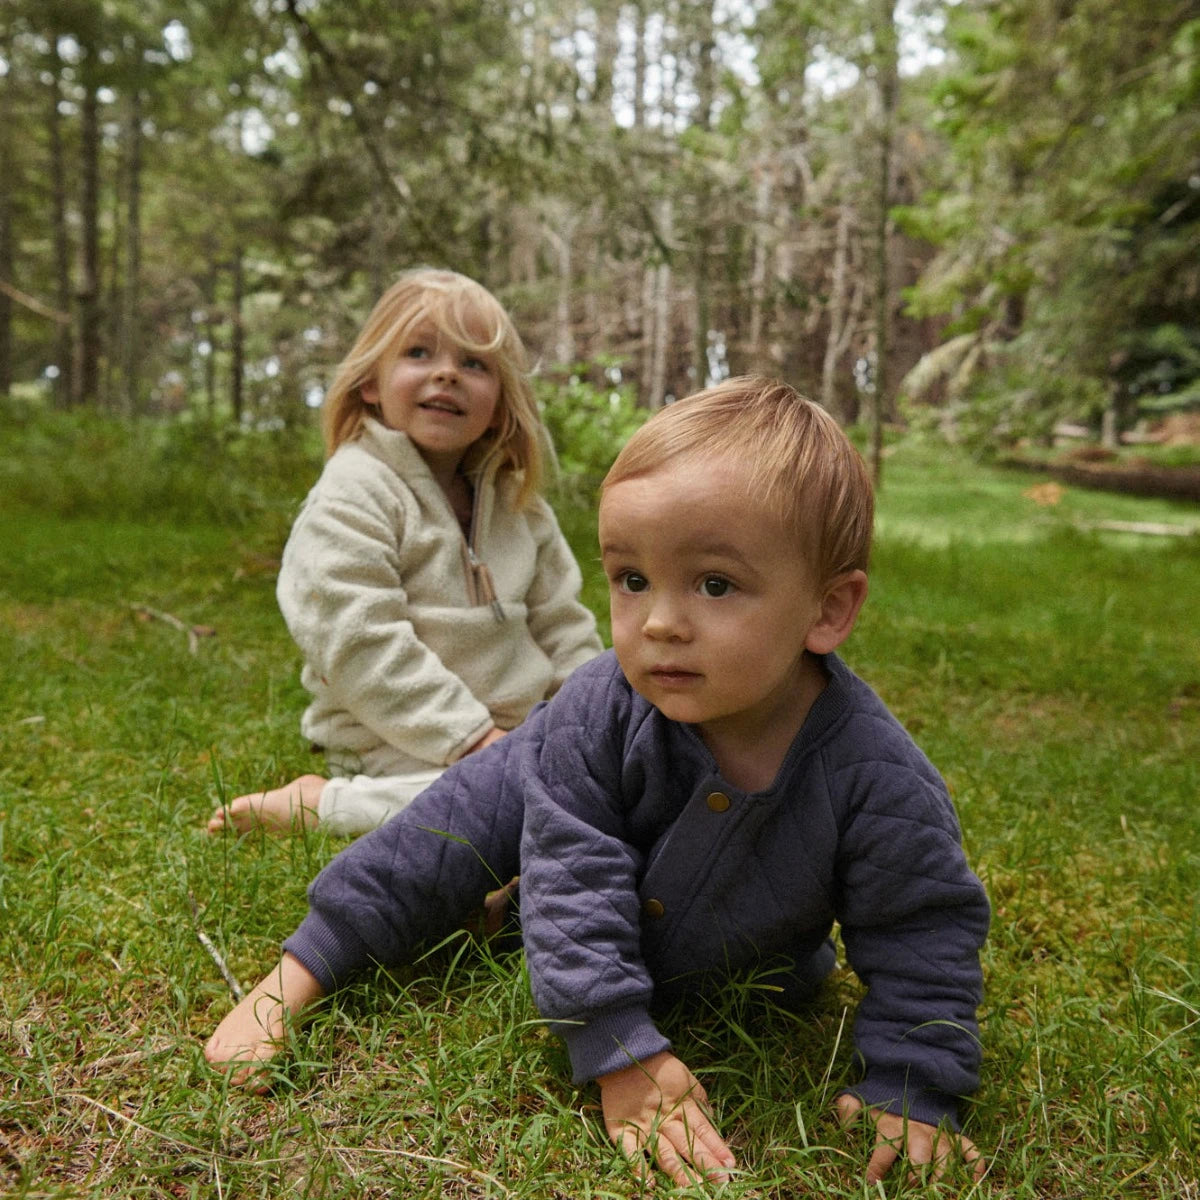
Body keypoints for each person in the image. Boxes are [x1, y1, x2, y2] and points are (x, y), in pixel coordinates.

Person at [204, 377, 990, 1187]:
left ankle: (498, 910)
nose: (658, 623)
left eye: (715, 585)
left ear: (828, 610)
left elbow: (923, 927)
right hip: (553, 869)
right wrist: (619, 1048)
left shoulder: (876, 774)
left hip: (743, 974)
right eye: (631, 579)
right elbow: (574, 873)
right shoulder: (599, 710)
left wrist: (914, 1082)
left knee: (501, 873)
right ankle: (292, 980)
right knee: (450, 830)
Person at [207, 268, 602, 838]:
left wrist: (589, 725)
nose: (446, 373)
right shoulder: (354, 492)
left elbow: (564, 627)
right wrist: (474, 741)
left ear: (500, 400)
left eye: (474, 364)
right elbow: (359, 641)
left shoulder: (520, 506)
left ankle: (524, 796)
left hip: (521, 736)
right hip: (397, 743)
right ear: (370, 382)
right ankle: (324, 805)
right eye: (418, 353)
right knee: (507, 809)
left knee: (605, 789)